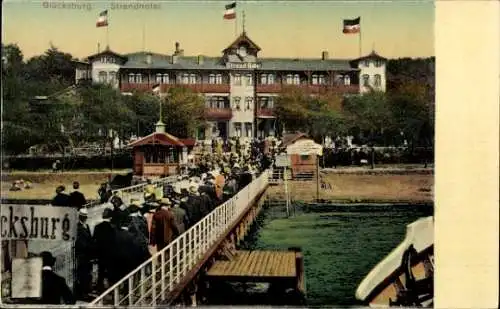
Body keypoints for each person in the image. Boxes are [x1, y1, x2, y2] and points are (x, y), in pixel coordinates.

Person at [92, 208, 115, 293]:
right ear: (111, 217)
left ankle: (100, 289)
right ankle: (112, 289)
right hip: (110, 254)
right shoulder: (113, 228)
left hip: (100, 254)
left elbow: (94, 240)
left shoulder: (97, 227)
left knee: (100, 272)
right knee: (111, 272)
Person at [74, 208, 93, 300]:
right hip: (82, 255)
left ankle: (86, 291)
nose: (84, 218)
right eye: (83, 217)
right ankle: (83, 293)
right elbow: (81, 243)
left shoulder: (86, 226)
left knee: (87, 274)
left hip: (87, 255)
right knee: (83, 274)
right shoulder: (78, 228)